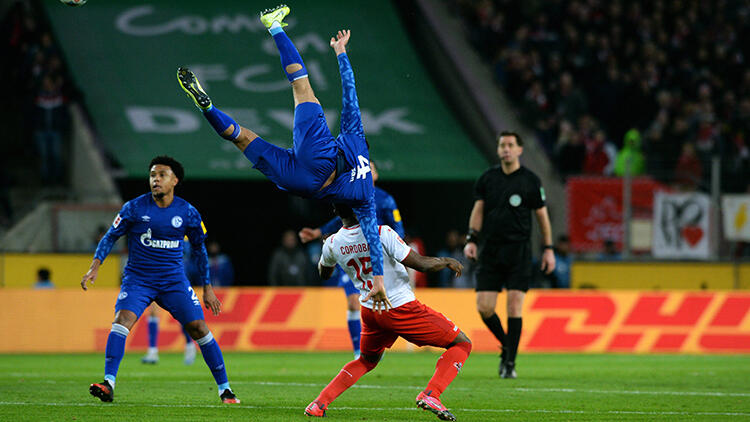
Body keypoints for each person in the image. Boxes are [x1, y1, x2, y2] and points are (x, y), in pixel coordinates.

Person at [177, 6, 388, 305]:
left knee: (301, 86)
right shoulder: (366, 199)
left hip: (321, 157)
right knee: (241, 138)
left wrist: (341, 52)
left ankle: (274, 25)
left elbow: (349, 95)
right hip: (305, 185)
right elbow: (373, 241)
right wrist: (378, 281)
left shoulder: (356, 139)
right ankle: (207, 109)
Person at [81, 156, 239, 404]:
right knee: (122, 320)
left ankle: (225, 389)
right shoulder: (134, 208)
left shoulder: (188, 212)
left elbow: (199, 249)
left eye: (162, 175)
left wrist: (207, 287)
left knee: (199, 328)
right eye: (152, 175)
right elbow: (110, 236)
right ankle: (108, 383)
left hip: (173, 281)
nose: (155, 179)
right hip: (139, 280)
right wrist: (95, 266)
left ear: (175, 180)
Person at [304, 203, 471, 421]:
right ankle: (431, 394)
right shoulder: (381, 233)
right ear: (361, 208)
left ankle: (318, 403)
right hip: (399, 307)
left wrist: (327, 249)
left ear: (336, 213)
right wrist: (446, 261)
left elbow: (324, 273)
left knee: (366, 360)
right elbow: (422, 264)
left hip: (371, 311)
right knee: (462, 343)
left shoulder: (333, 242)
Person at [464, 131, 555, 379]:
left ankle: (510, 363)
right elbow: (478, 210)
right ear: (498, 150)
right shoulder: (487, 178)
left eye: (510, 145)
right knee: (484, 307)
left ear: (519, 150)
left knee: (514, 305)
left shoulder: (530, 180)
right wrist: (472, 239)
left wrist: (548, 249)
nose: (506, 149)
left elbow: (542, 217)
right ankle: (507, 344)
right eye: (502, 145)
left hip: (519, 251)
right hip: (491, 250)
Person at [298, 161, 404, 358]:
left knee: (380, 305)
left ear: (376, 175)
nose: (367, 172)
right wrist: (319, 232)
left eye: (371, 169)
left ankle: (375, 344)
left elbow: (398, 227)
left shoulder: (385, 199)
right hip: (352, 253)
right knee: (354, 302)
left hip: (376, 259)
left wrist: (397, 249)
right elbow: (339, 219)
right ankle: (359, 353)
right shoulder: (351, 195)